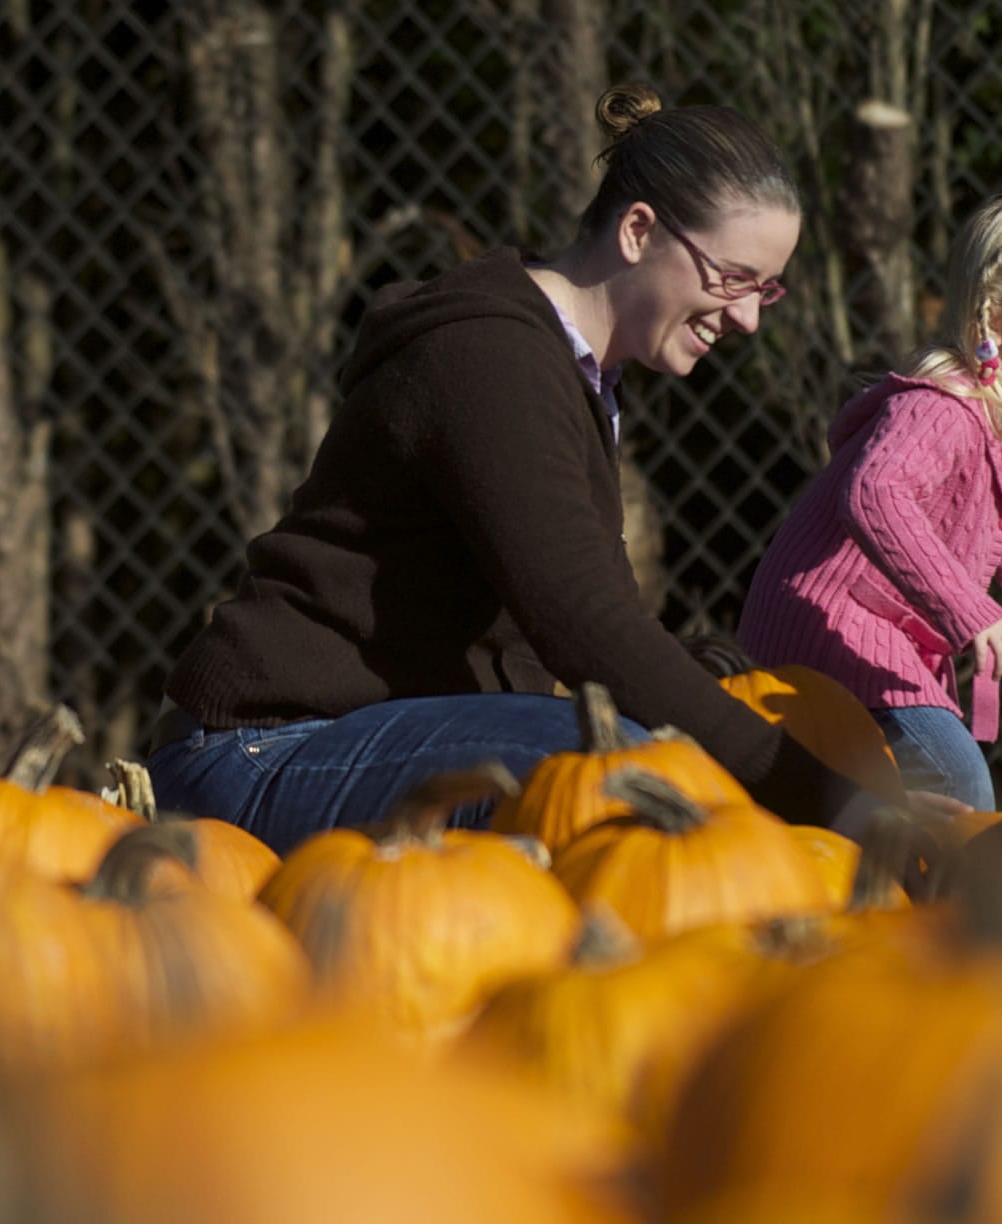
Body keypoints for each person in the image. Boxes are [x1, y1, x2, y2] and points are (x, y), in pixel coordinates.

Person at [145, 83, 881, 855]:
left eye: (765, 287)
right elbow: (584, 622)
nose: (747, 316)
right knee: (614, 768)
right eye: (732, 278)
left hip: (358, 738)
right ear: (638, 231)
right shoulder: (492, 359)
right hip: (257, 758)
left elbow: (580, 621)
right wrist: (829, 801)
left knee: (638, 752)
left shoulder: (576, 373)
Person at [734, 192, 1002, 812]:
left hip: (894, 643)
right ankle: (942, 905)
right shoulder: (938, 409)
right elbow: (875, 492)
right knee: (953, 781)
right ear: (993, 319)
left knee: (870, 802)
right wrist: (975, 612)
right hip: (828, 626)